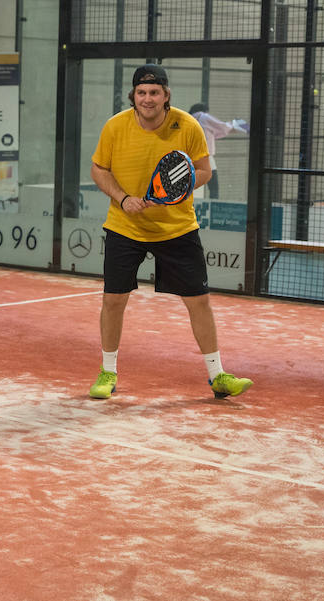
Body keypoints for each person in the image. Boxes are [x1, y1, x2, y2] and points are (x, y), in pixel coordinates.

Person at [87, 64, 253, 400]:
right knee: (113, 300)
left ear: (166, 96)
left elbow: (203, 170)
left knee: (199, 301)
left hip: (177, 228)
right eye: (142, 92)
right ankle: (107, 373)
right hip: (125, 226)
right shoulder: (114, 127)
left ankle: (218, 376)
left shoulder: (188, 125)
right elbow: (98, 169)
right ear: (133, 96)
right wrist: (122, 198)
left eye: (155, 92)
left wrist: (174, 189)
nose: (148, 99)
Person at [188, 102, 249, 199]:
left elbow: (214, 132)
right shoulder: (203, 117)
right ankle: (213, 208)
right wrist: (236, 123)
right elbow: (221, 127)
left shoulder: (188, 120)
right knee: (213, 187)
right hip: (205, 157)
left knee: (191, 188)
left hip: (189, 158)